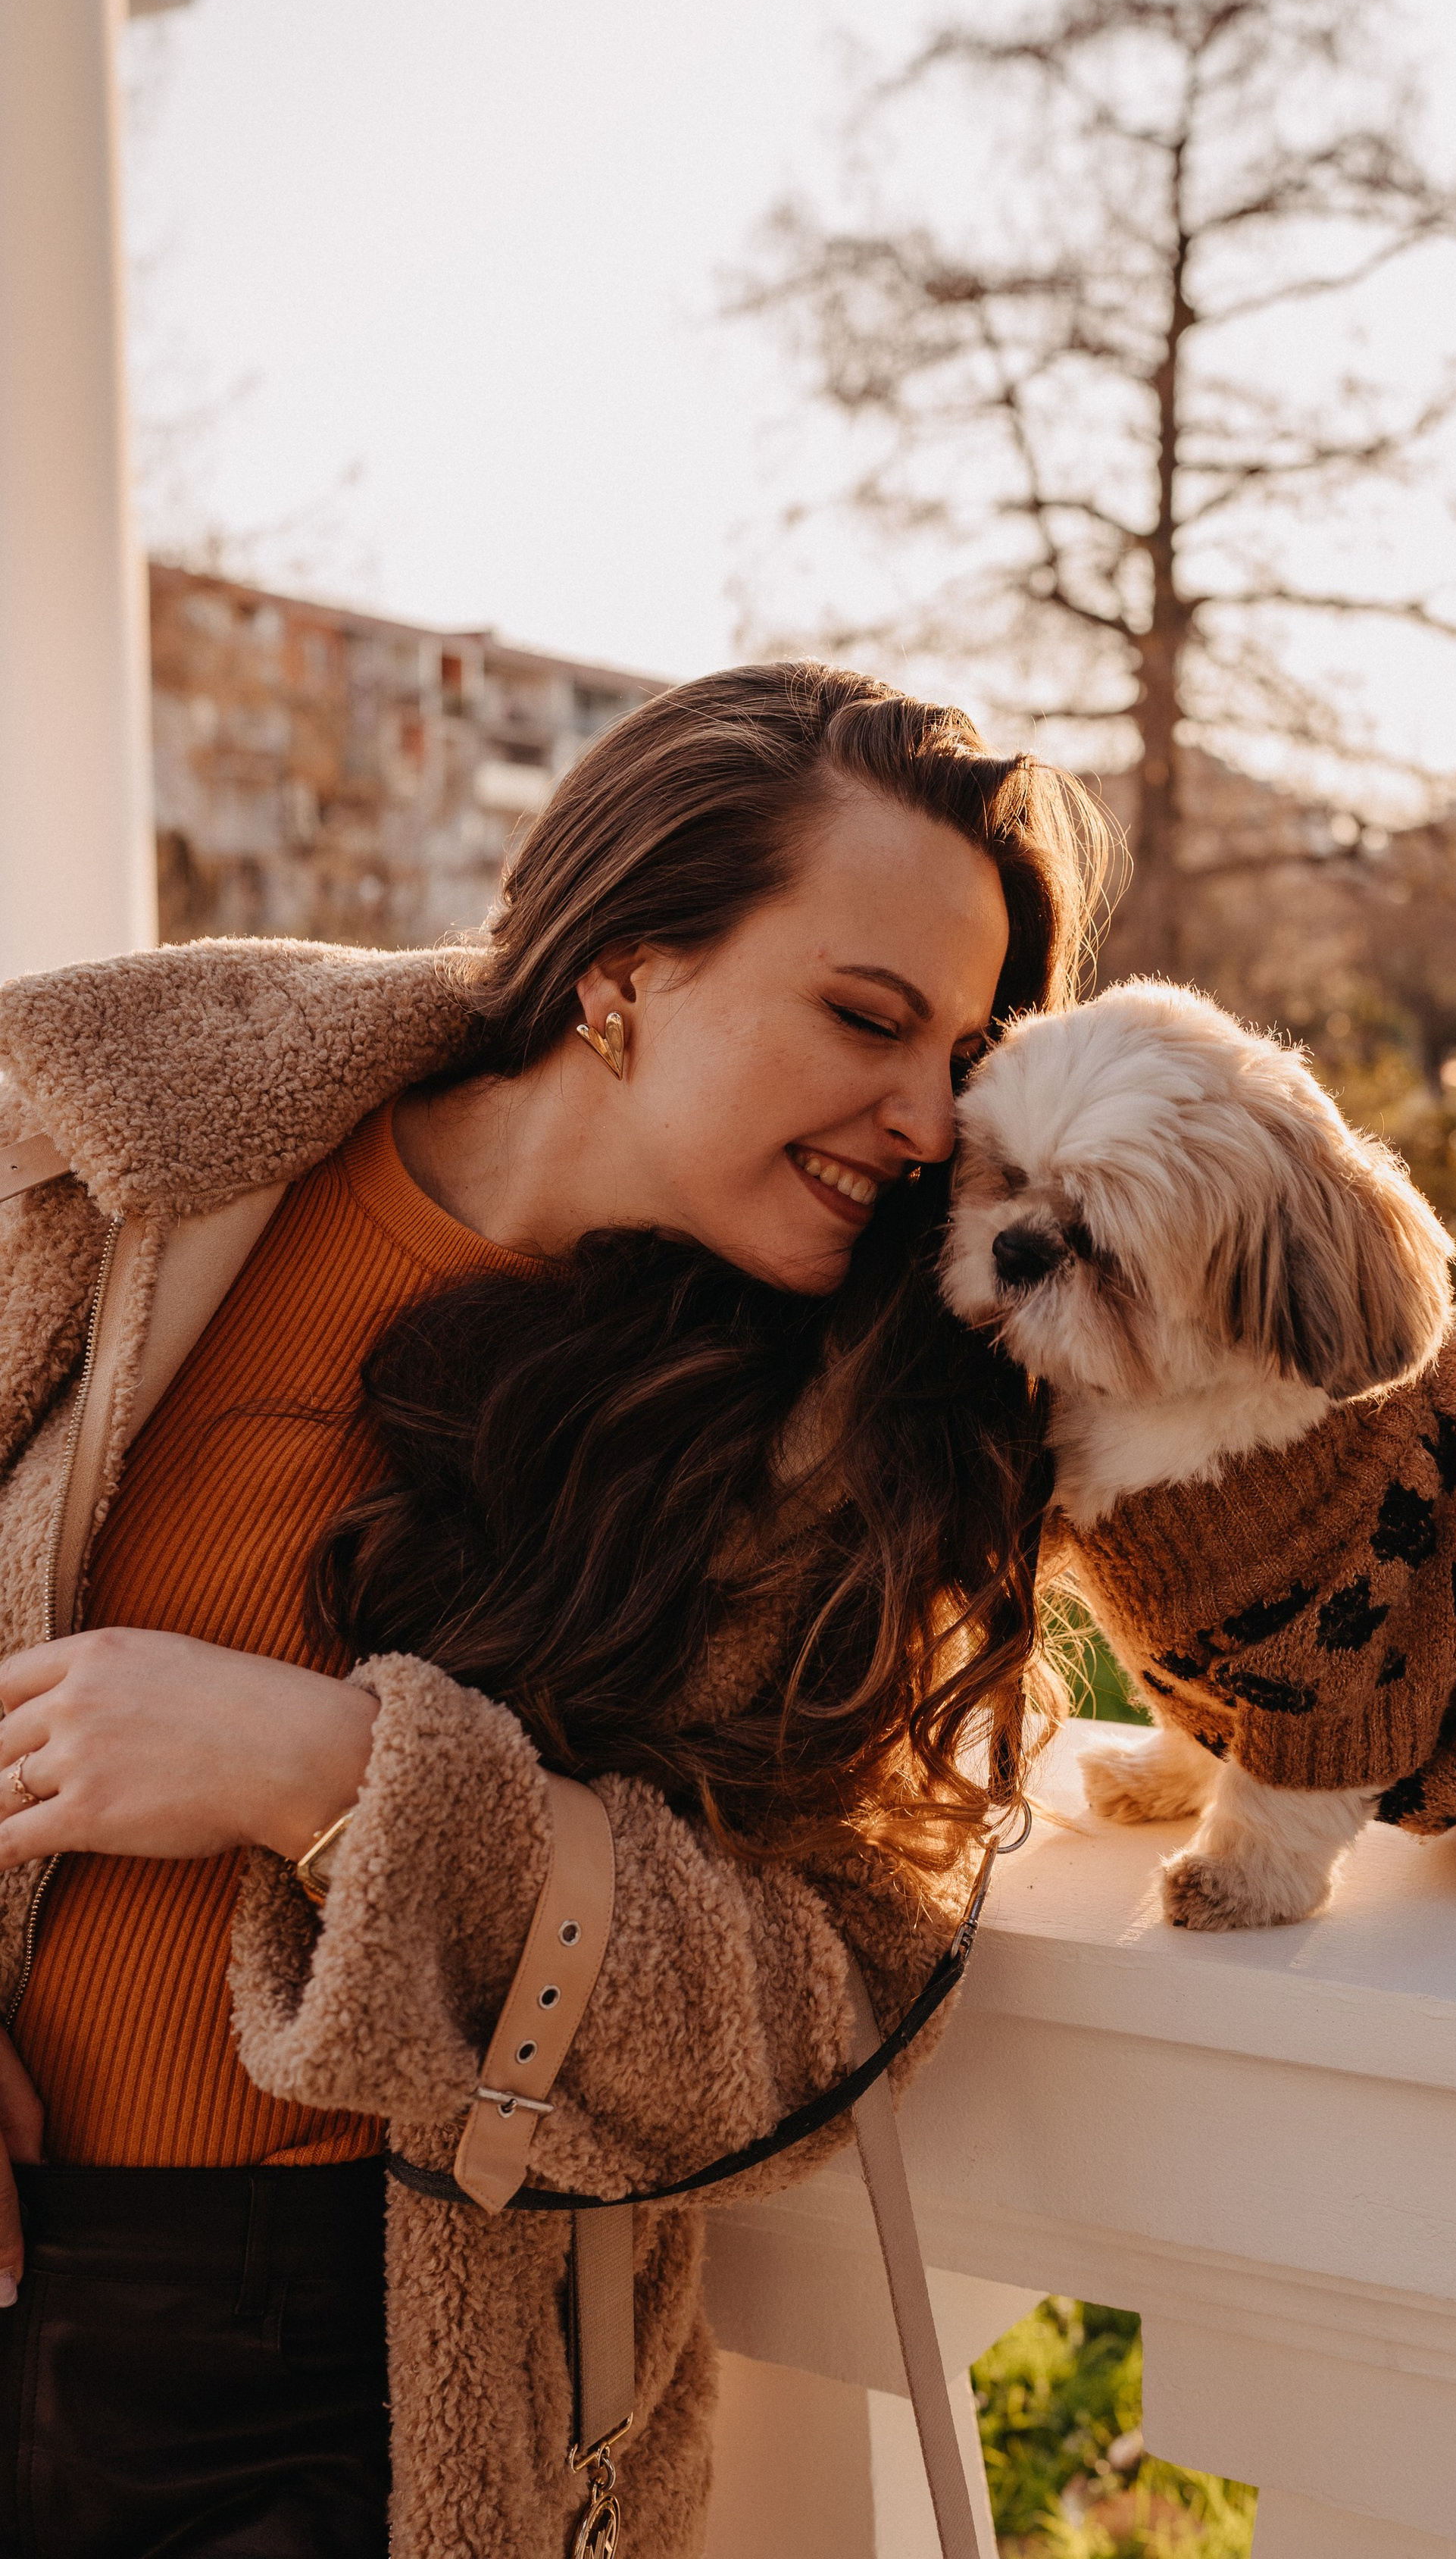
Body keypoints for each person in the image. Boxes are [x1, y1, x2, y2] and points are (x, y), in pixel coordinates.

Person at [0, 662, 1108, 2559]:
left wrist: (337, 1779)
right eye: (866, 1018)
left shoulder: (854, 1441)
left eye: (965, 1054)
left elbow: (826, 2005)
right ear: (621, 967)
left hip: (336, 2386)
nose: (929, 1119)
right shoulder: (135, 1169)